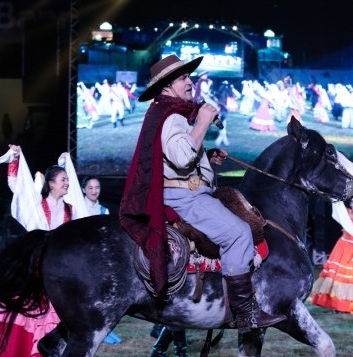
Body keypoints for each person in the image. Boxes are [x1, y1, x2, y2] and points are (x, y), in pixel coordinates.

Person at [119, 54, 285, 333]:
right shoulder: (170, 116)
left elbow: (177, 157)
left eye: (188, 77)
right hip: (185, 199)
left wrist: (206, 156)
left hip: (187, 193)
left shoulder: (169, 113)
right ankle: (245, 313)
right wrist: (204, 121)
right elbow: (183, 158)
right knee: (239, 232)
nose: (190, 82)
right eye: (183, 78)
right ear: (166, 87)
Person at [0, 146, 80, 357]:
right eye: (63, 179)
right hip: (36, 263)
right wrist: (15, 159)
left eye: (67, 179)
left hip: (59, 266)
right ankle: (17, 349)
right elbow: (18, 187)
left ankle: (50, 352)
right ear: (51, 183)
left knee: (55, 309)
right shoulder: (37, 204)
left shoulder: (71, 209)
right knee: (24, 305)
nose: (67, 183)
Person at [310, 200, 353, 314]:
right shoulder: (346, 213)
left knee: (351, 277)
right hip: (343, 248)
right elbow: (337, 210)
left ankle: (350, 304)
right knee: (339, 276)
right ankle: (337, 303)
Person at [80, 176, 122, 345]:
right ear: (83, 190)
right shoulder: (77, 206)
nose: (94, 191)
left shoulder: (104, 210)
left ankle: (97, 327)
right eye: (90, 188)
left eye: (97, 187)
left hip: (96, 258)